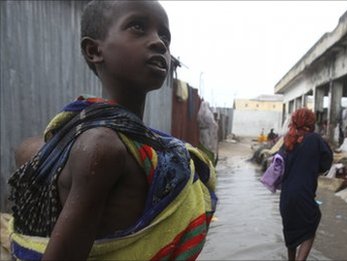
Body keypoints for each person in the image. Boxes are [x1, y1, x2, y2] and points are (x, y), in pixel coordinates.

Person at [7, 1, 216, 260]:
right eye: (138, 27)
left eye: (165, 35)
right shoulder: (102, 147)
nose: (159, 43)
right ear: (94, 50)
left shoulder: (137, 145)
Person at [279, 108, 333, 260]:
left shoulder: (288, 140)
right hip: (303, 194)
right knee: (311, 225)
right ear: (311, 122)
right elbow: (326, 164)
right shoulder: (315, 139)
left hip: (286, 197)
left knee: (290, 233)